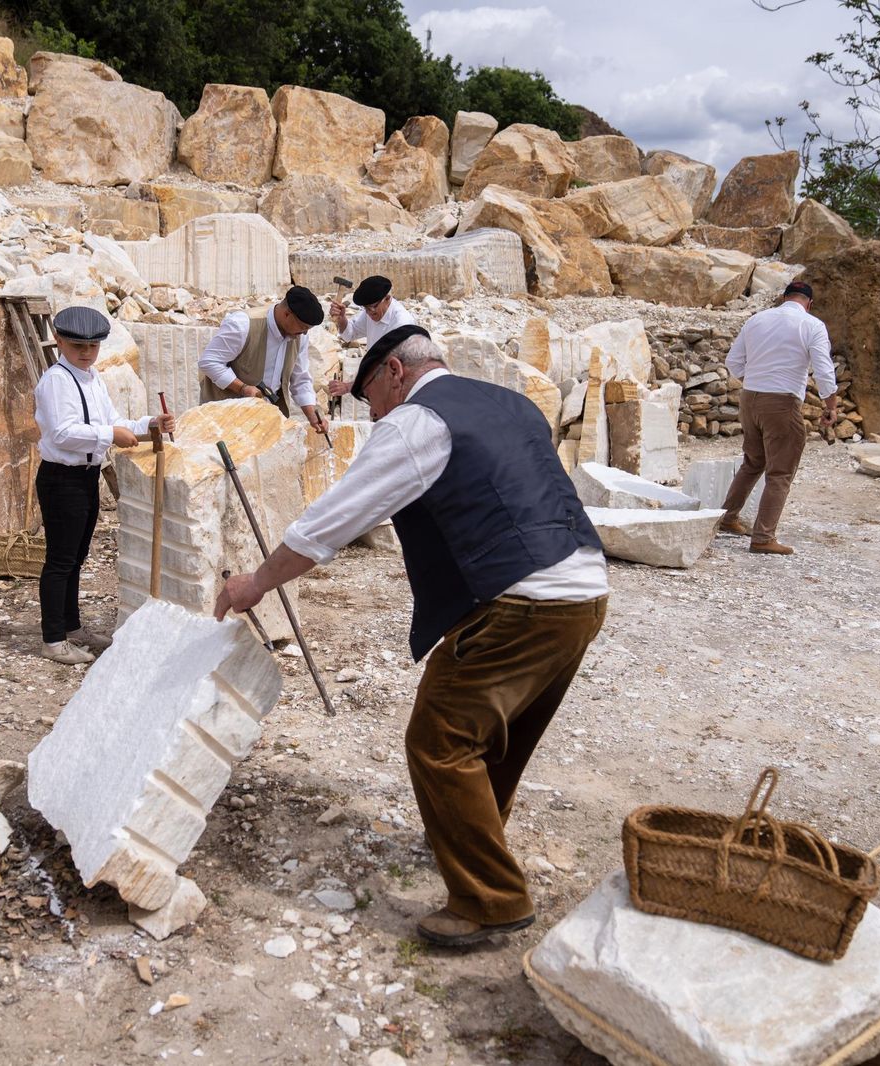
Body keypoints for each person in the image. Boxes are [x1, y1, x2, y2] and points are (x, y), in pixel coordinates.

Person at [216, 325, 609, 948]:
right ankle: (473, 835)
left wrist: (256, 583)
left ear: (395, 373)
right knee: (497, 732)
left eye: (371, 395)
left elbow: (333, 520)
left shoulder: (416, 422)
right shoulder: (508, 401)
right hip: (583, 588)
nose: (371, 412)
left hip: (522, 600)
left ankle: (491, 900)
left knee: (439, 741)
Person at [34, 306, 176, 665]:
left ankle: (71, 626)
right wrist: (110, 434)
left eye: (93, 346)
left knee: (78, 556)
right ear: (59, 342)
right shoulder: (55, 381)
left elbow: (114, 420)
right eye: (78, 345)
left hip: (86, 477)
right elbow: (63, 433)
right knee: (60, 559)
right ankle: (53, 638)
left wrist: (150, 424)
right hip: (60, 478)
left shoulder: (92, 377)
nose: (86, 352)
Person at [718, 280, 838, 555]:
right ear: (809, 303)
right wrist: (830, 404)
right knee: (781, 471)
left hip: (749, 398)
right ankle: (762, 538)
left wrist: (757, 381)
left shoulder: (757, 319)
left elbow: (733, 362)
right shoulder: (812, 325)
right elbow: (823, 369)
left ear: (784, 298)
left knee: (753, 462)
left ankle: (727, 517)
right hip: (781, 402)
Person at [197, 285, 331, 438]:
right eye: (303, 327)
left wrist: (311, 413)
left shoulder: (299, 335)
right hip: (225, 415)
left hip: (264, 416)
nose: (305, 333)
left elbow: (300, 378)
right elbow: (209, 362)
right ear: (287, 314)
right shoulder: (242, 324)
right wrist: (243, 388)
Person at [325, 275, 417, 400]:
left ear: (387, 298)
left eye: (373, 307)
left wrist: (349, 387)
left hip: (399, 393)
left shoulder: (402, 324)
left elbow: (391, 371)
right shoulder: (371, 311)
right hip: (379, 390)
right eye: (366, 308)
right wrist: (341, 318)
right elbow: (349, 333)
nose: (370, 312)